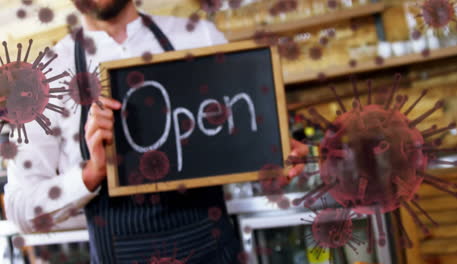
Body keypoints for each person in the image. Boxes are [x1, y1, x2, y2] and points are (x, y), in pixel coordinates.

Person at [4, 0, 309, 263]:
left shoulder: (199, 37)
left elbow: (245, 143)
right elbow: (21, 208)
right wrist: (91, 173)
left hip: (216, 251)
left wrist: (272, 160)